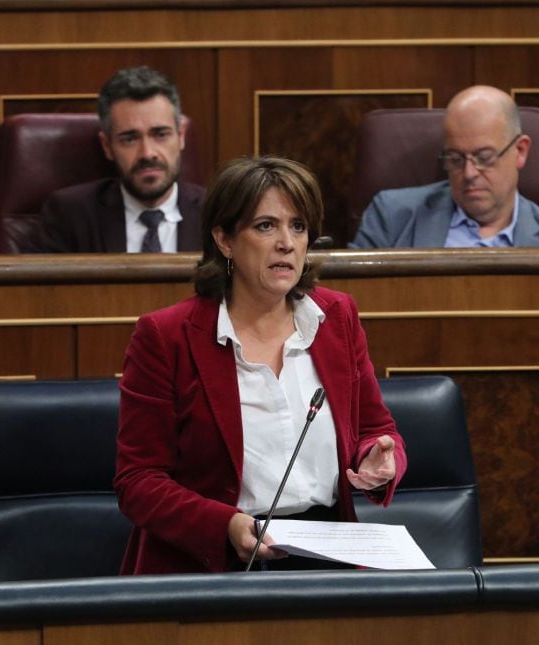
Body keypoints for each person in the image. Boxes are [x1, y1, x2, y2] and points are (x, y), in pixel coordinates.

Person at [114, 156, 407, 574]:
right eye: (266, 226)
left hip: (326, 557)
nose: (286, 242)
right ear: (225, 239)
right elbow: (138, 482)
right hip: (211, 564)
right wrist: (226, 525)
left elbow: (376, 429)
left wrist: (376, 459)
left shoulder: (336, 317)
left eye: (299, 226)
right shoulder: (167, 336)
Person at [351, 85, 539, 249]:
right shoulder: (392, 217)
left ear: (520, 151)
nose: (469, 173)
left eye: (484, 157)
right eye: (455, 159)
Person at [36, 66, 205, 253]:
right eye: (130, 139)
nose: (147, 153)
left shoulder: (220, 215)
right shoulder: (70, 216)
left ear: (181, 136)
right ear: (107, 146)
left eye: (160, 134)